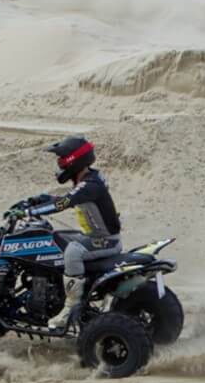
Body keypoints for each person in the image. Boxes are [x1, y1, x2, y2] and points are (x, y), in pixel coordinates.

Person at [8, 136, 122, 331]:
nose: (59, 165)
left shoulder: (90, 185)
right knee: (52, 239)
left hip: (105, 241)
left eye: (61, 160)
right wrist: (39, 199)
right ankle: (52, 291)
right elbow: (68, 198)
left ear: (74, 161)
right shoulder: (88, 180)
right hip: (93, 236)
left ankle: (71, 308)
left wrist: (28, 212)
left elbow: (63, 204)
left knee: (72, 251)